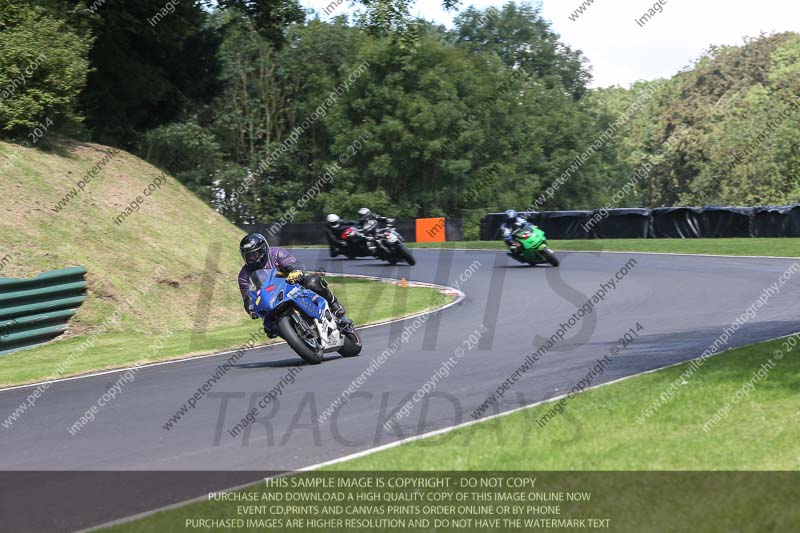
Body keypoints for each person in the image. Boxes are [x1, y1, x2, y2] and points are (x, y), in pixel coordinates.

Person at [237, 233, 353, 332]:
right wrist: (251, 309)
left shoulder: (276, 253)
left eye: (253, 255)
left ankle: (335, 306)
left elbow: (296, 265)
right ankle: (297, 335)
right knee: (269, 328)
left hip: (291, 286)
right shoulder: (244, 275)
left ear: (262, 250)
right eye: (247, 256)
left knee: (313, 282)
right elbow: (247, 298)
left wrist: (296, 272)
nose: (251, 259)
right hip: (271, 301)